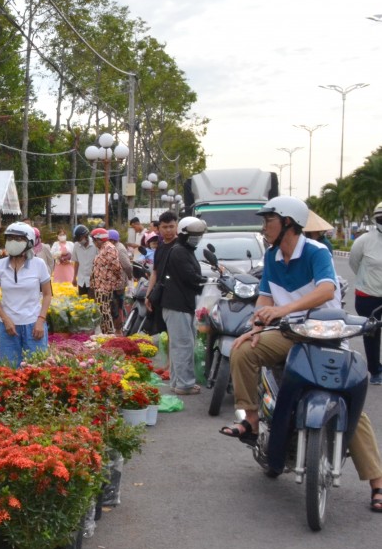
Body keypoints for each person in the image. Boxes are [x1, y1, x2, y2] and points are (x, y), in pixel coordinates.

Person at [219, 197, 382, 513]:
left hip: (326, 335)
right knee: (242, 352)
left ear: (288, 224)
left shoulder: (316, 252)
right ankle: (250, 421)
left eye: (269, 221)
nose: (264, 227)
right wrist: (256, 324)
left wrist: (284, 310)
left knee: (349, 401)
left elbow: (326, 291)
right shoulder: (272, 256)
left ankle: (377, 482)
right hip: (288, 333)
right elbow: (265, 297)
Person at [0, 222, 52, 367]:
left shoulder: (39, 264)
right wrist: (5, 319)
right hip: (7, 326)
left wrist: (40, 320)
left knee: (36, 369)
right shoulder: (0, 266)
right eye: (9, 238)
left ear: (29, 242)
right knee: (9, 371)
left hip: (33, 325)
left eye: (18, 239)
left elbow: (47, 294)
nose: (12, 242)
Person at [160, 216, 208, 395]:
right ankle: (184, 385)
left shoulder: (185, 249)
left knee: (180, 345)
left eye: (199, 235)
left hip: (181, 305)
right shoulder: (180, 251)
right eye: (193, 235)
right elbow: (190, 277)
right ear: (184, 234)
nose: (196, 238)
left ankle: (178, 382)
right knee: (183, 345)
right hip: (177, 305)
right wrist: (206, 280)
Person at [349, 200, 382, 385]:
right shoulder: (363, 241)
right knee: (372, 335)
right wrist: (368, 280)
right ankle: (375, 371)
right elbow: (354, 264)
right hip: (368, 296)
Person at [145, 211, 179, 333]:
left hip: (176, 301)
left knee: (174, 333)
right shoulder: (160, 247)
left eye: (171, 226)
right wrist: (148, 295)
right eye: (165, 227)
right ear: (159, 228)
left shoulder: (181, 247)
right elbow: (155, 272)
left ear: (177, 226)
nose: (168, 230)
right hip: (160, 297)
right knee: (161, 332)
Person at [90, 228, 125, 333]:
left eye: (94, 240)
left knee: (104, 311)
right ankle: (106, 333)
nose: (94, 243)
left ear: (99, 239)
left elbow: (116, 267)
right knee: (102, 311)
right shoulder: (103, 248)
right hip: (100, 284)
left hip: (105, 285)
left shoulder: (109, 248)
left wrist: (118, 282)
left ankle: (109, 334)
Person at [70, 224, 97, 298]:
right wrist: (74, 277)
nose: (79, 241)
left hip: (93, 280)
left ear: (86, 235)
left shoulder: (95, 244)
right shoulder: (76, 245)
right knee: (83, 302)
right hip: (81, 280)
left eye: (80, 238)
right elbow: (76, 262)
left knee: (92, 302)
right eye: (78, 239)